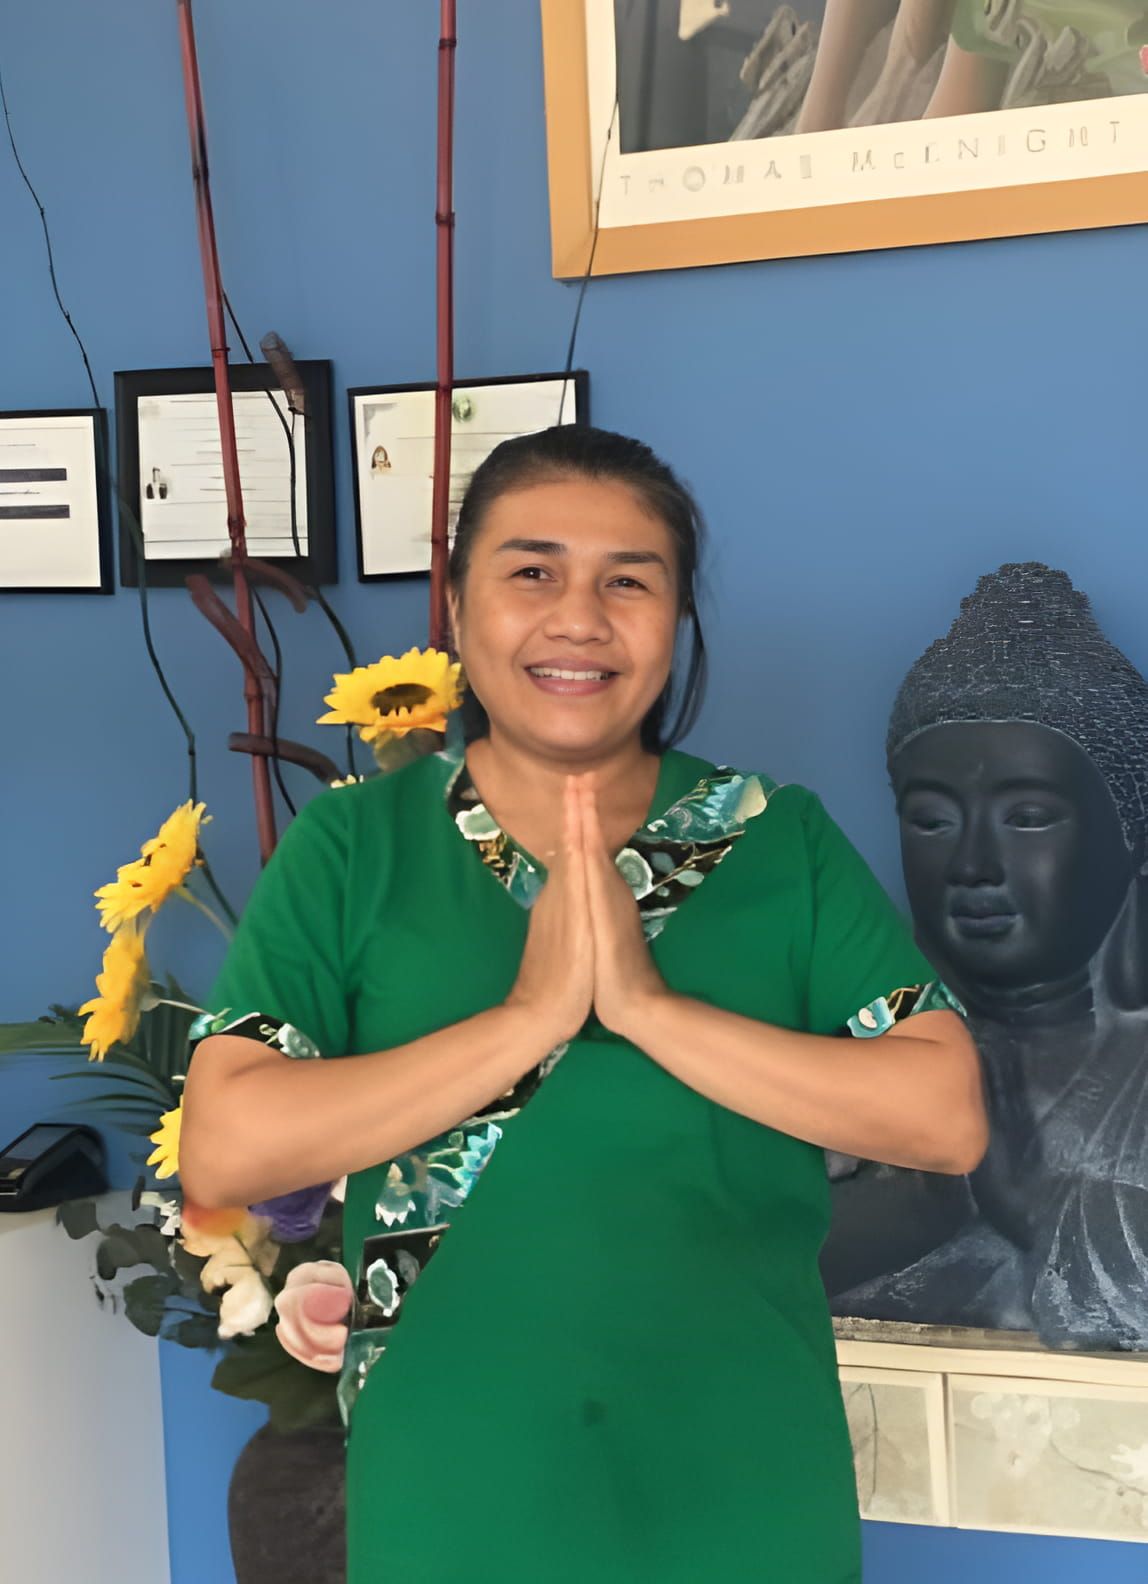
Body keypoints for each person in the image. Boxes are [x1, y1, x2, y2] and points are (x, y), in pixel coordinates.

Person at [180, 424, 984, 1584]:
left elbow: (942, 1113)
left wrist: (648, 1008)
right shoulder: (354, 845)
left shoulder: (775, 836)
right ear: (458, 608)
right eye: (531, 572)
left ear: (675, 619)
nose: (578, 619)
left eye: (627, 581)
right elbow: (227, 1144)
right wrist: (527, 1018)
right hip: (453, 1489)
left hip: (743, 1482)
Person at [825, 563, 1148, 1347]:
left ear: (1129, 836)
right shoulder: (840, 1051)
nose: (972, 864)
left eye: (1028, 818)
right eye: (932, 822)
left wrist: (1020, 1193)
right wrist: (908, 1207)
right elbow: (709, 1268)